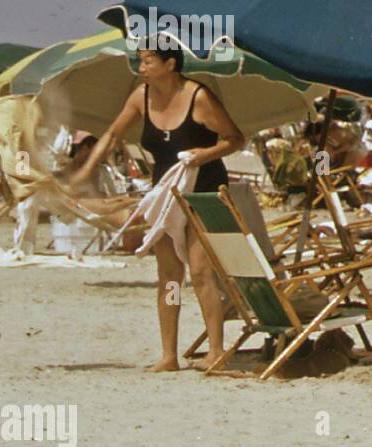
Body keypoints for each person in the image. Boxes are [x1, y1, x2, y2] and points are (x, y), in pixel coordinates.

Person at [71, 46, 244, 371]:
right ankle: (168, 356)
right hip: (166, 193)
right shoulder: (141, 96)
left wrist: (203, 154)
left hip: (203, 190)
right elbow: (110, 135)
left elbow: (236, 139)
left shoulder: (199, 97)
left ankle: (216, 351)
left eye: (148, 60)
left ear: (170, 63)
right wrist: (84, 171)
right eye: (140, 60)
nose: (141, 66)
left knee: (201, 271)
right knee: (169, 276)